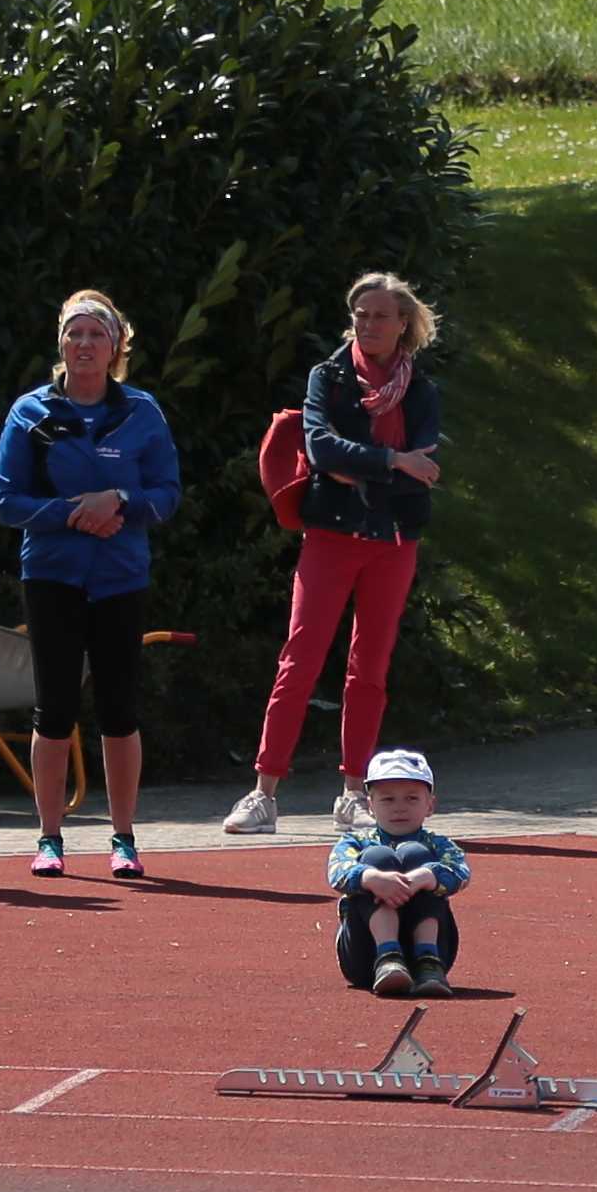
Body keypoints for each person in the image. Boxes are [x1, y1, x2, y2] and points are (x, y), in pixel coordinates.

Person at [227, 273, 443, 838]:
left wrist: (366, 466)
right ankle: (263, 792)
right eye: (360, 315)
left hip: (393, 540)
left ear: (403, 324)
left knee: (369, 668)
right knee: (299, 659)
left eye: (380, 316)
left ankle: (353, 793)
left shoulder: (420, 389)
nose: (368, 325)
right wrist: (392, 461)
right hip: (331, 536)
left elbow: (425, 462)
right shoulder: (328, 376)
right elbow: (321, 448)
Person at [0, 288, 183, 881]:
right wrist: (74, 513)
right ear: (60, 343)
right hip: (52, 575)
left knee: (119, 710)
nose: (84, 344)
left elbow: (167, 494)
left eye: (96, 334)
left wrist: (119, 500)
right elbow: (6, 499)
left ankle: (123, 838)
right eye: (74, 333)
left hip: (121, 578)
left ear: (115, 345)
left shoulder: (142, 412)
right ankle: (49, 838)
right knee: (53, 709)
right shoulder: (30, 412)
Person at [330, 747, 469, 997]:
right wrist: (371, 878)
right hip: (365, 956)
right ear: (370, 806)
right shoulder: (354, 842)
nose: (399, 808)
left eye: (411, 799)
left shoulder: (439, 845)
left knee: (417, 856)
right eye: (388, 799)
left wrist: (425, 876)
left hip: (437, 953)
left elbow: (461, 872)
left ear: (430, 805)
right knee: (377, 857)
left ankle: (427, 961)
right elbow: (337, 872)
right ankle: (388, 956)